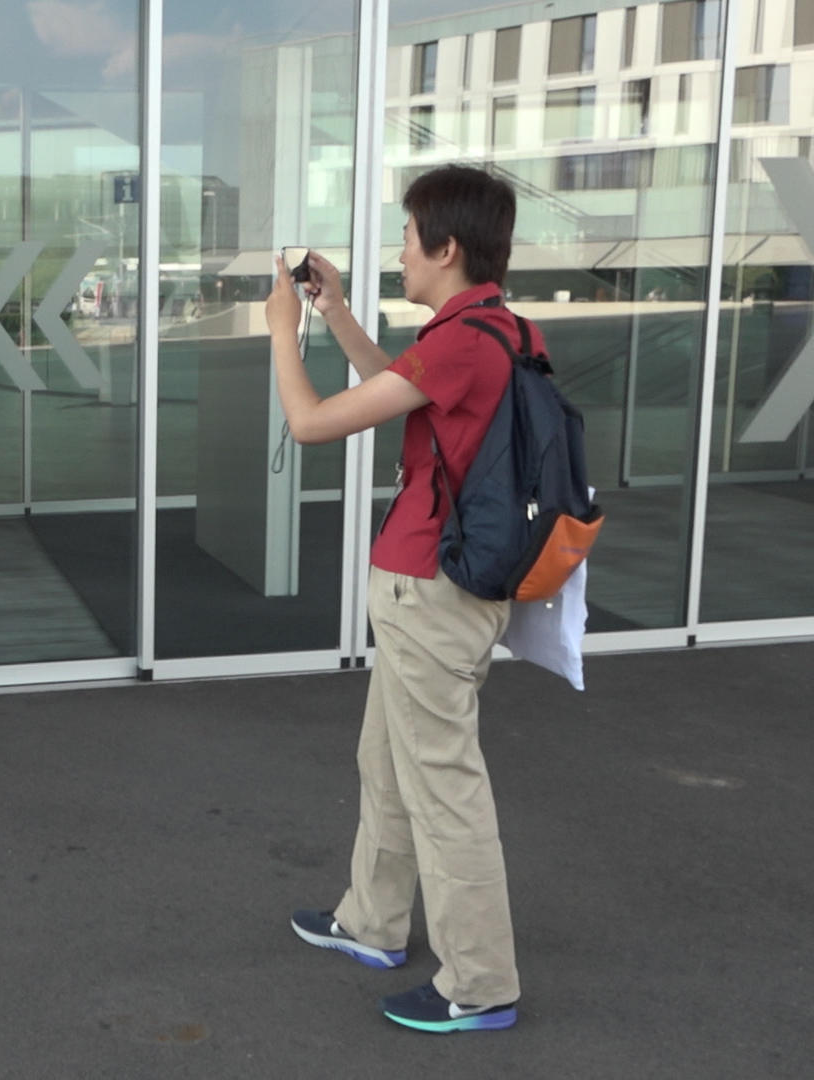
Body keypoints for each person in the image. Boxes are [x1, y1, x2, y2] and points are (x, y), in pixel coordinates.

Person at [266, 166, 528, 1033]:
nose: (401, 253)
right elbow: (395, 386)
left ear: (447, 248)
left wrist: (282, 331)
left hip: (432, 591)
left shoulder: (463, 341)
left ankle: (480, 983)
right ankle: (373, 922)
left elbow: (312, 423)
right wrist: (336, 311)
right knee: (389, 763)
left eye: (410, 238)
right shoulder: (492, 330)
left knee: (442, 785)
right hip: (434, 586)